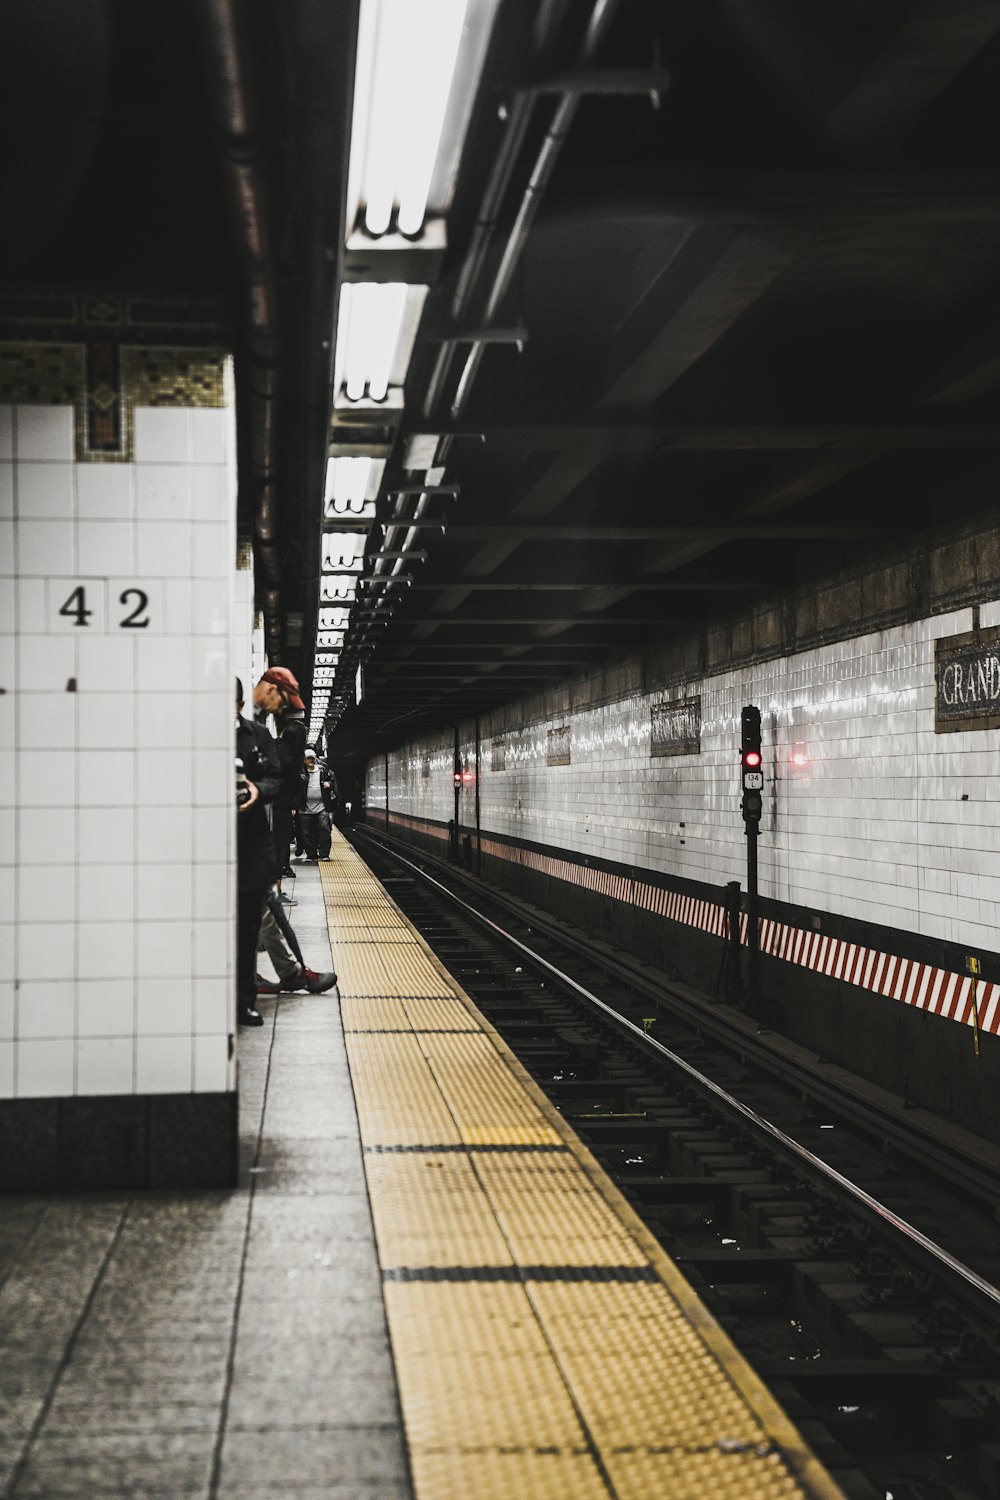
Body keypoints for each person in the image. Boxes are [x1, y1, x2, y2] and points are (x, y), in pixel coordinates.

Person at [235, 678, 280, 1027]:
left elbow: (276, 780)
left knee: (248, 930)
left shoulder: (258, 736)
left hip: (248, 846)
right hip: (202, 847)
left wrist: (256, 790)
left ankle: (244, 1001)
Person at [298, 747, 335, 861]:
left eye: (312, 758)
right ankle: (311, 854)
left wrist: (329, 783)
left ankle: (324, 854)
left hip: (322, 806)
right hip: (304, 807)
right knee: (307, 832)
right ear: (304, 760)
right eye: (308, 758)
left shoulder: (322, 770)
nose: (311, 760)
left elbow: (332, 781)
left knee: (324, 830)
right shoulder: (300, 772)